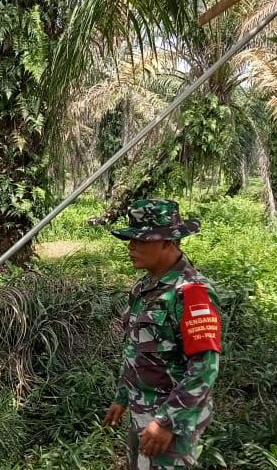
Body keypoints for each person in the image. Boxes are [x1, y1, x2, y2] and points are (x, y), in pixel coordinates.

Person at [104, 199, 222, 470]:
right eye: (130, 239)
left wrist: (167, 421)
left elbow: (204, 368)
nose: (131, 247)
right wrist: (123, 396)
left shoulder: (191, 293)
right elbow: (135, 348)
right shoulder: (145, 286)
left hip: (171, 417)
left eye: (141, 240)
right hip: (142, 409)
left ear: (169, 242)